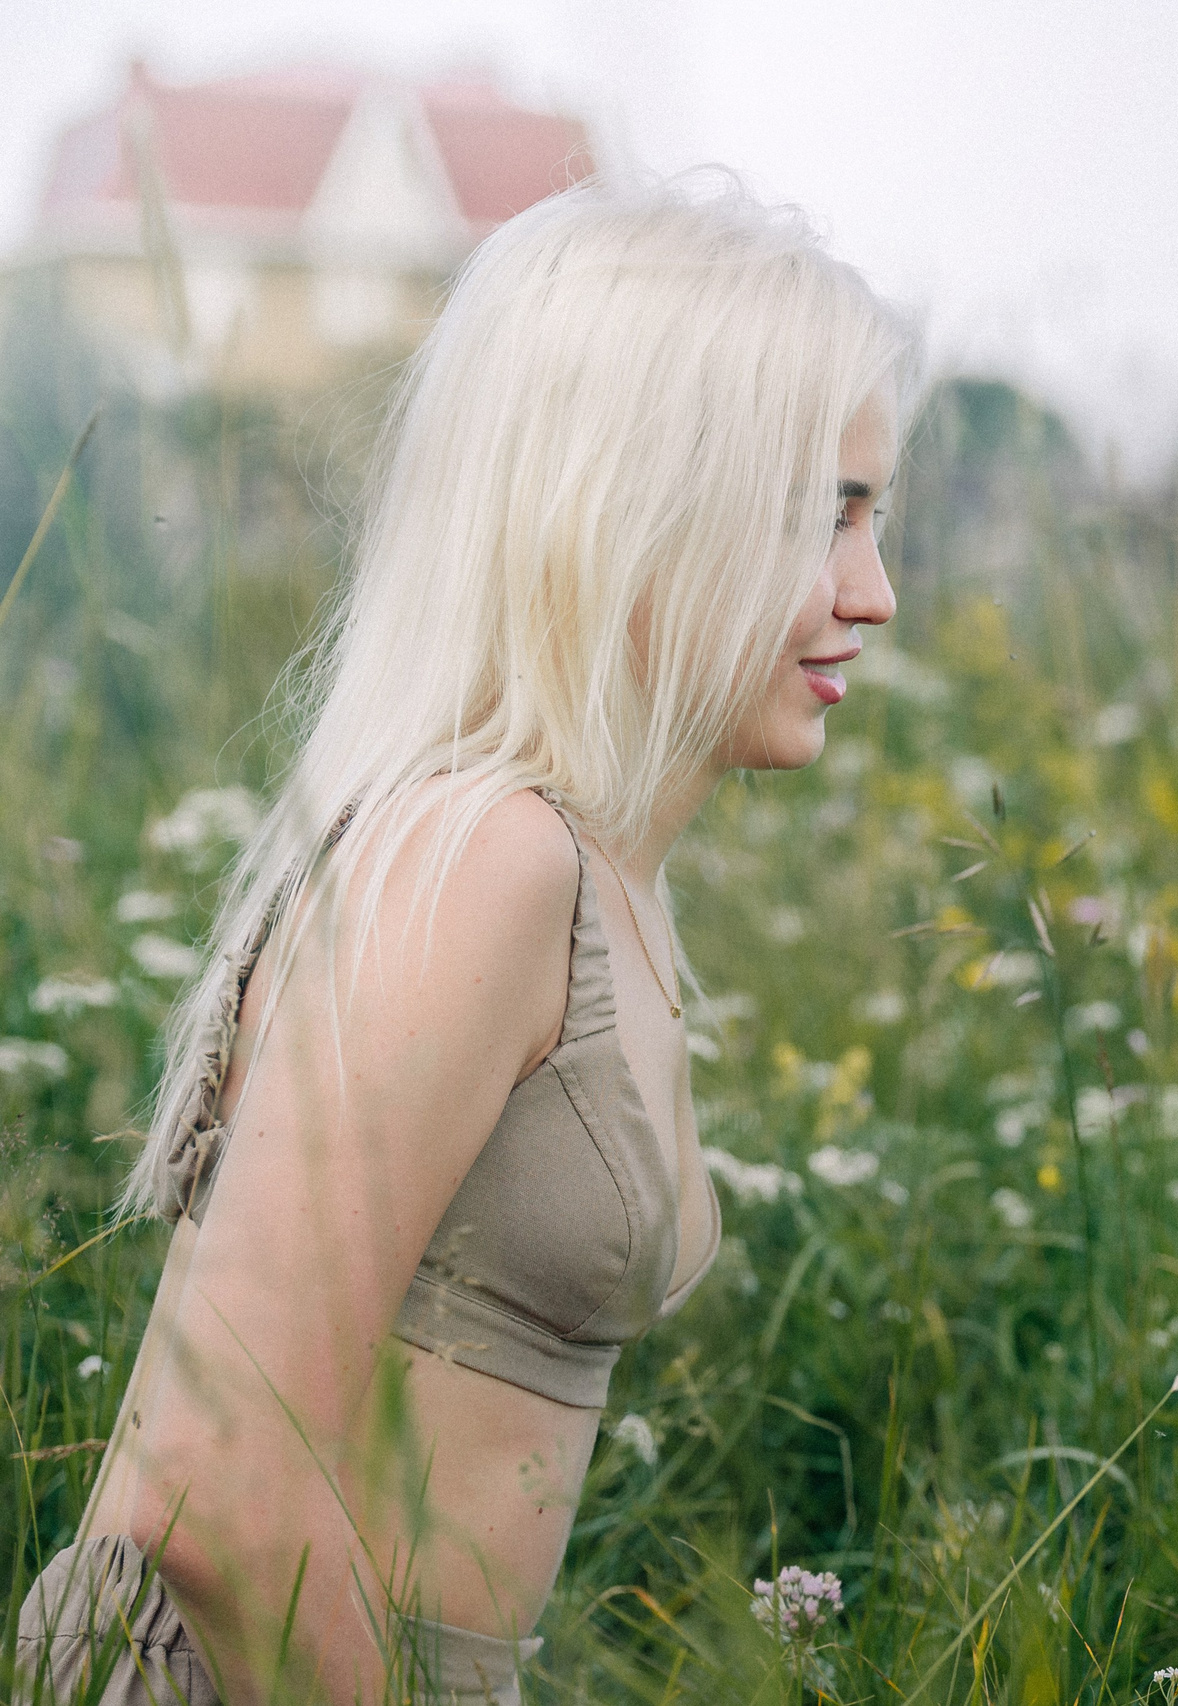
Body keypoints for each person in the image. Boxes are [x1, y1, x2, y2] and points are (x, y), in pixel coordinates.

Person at [14, 174, 909, 1705]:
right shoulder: (485, 857)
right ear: (625, 506)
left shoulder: (595, 870)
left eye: (870, 518)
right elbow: (216, 1489)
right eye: (813, 517)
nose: (872, 596)